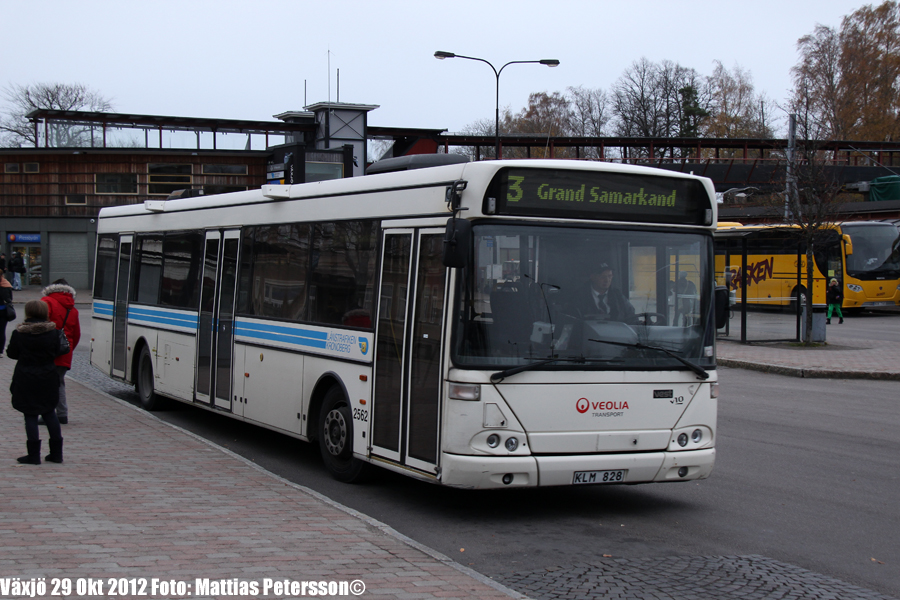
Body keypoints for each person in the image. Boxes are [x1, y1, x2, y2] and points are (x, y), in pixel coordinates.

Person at [7, 300, 64, 464]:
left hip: (26, 376)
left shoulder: (19, 333)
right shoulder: (54, 333)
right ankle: (56, 453)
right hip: (48, 375)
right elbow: (59, 351)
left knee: (30, 413)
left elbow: (12, 353)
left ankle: (33, 455)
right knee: (49, 412)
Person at [41, 279, 80, 425]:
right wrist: (67, 349)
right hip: (64, 351)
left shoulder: (47, 302)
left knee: (46, 383)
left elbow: (41, 325)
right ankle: (62, 413)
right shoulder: (73, 309)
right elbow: (76, 335)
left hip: (47, 350)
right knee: (59, 382)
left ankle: (48, 414)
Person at [571, 262, 635, 322]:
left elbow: (632, 317)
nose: (607, 280)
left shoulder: (618, 296)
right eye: (602, 276)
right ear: (592, 277)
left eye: (609, 276)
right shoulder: (579, 297)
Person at [0, 275, 12, 354]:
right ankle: (0, 350)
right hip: (3, 310)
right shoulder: (6, 284)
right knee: (1, 331)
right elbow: (10, 299)